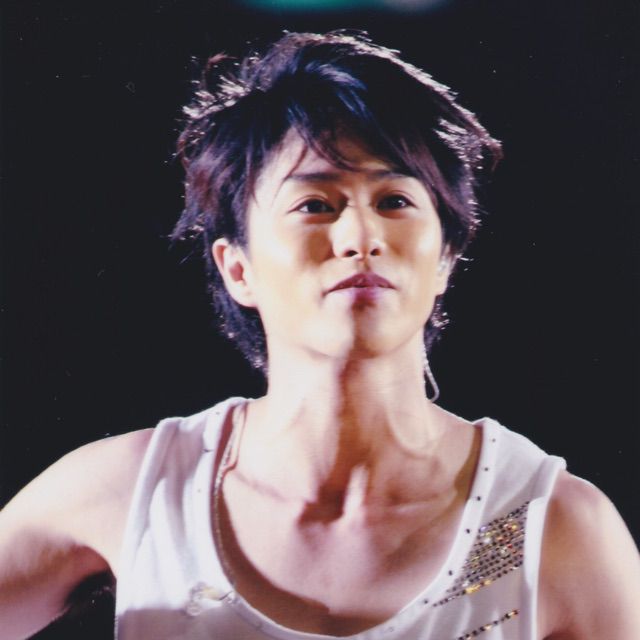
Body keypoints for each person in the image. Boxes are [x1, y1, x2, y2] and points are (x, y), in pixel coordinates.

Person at [1, 30, 638, 640]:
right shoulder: (137, 493)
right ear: (238, 269)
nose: (361, 237)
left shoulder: (548, 526)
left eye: (394, 201)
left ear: (445, 259)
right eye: (315, 205)